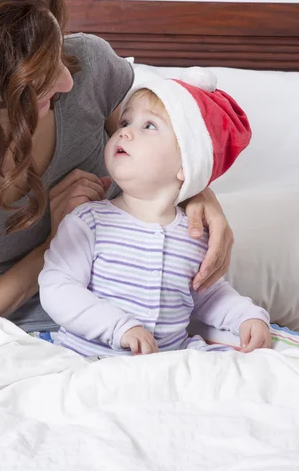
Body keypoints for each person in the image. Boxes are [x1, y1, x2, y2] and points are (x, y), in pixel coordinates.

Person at [0, 0, 233, 334]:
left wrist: (199, 194)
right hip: (27, 335)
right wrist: (60, 246)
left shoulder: (87, 66)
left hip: (154, 315)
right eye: (40, 74)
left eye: (57, 52)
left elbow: (164, 141)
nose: (66, 81)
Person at [39, 70, 271, 356]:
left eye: (149, 126)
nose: (123, 131)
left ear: (187, 164)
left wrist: (247, 317)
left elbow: (209, 296)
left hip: (164, 365)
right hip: (88, 360)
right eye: (125, 121)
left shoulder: (195, 234)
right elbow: (57, 287)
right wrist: (118, 327)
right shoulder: (88, 221)